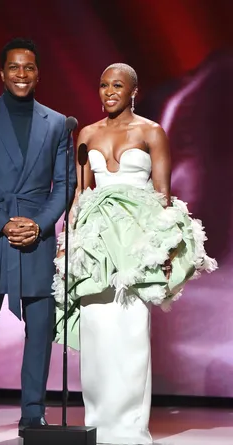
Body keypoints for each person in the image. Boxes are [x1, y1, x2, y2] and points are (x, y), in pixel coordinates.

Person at [52, 63, 217, 444]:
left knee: (129, 333)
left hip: (134, 244)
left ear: (133, 91)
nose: (109, 91)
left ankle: (127, 430)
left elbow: (163, 195)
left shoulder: (151, 132)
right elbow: (81, 192)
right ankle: (97, 422)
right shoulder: (87, 133)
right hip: (94, 244)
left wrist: (162, 245)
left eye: (118, 85)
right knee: (96, 333)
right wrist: (67, 239)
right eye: (104, 85)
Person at [0, 37, 76, 441]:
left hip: (36, 239)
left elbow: (65, 185)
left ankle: (33, 414)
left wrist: (39, 225)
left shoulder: (58, 123)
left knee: (41, 329)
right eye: (14, 67)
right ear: (2, 73)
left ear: (38, 74)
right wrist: (4, 223)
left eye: (28, 67)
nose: (21, 74)